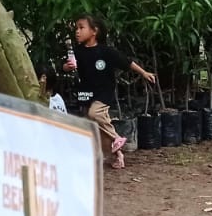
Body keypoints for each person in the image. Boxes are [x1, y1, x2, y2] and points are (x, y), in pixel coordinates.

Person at [64, 14, 156, 170]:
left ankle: (117, 137)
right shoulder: (77, 51)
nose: (77, 32)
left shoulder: (106, 51)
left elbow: (127, 62)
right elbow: (66, 67)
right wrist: (67, 67)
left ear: (94, 31)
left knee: (96, 114)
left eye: (81, 28)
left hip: (104, 92)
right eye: (76, 28)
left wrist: (144, 73)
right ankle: (117, 155)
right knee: (95, 125)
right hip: (86, 92)